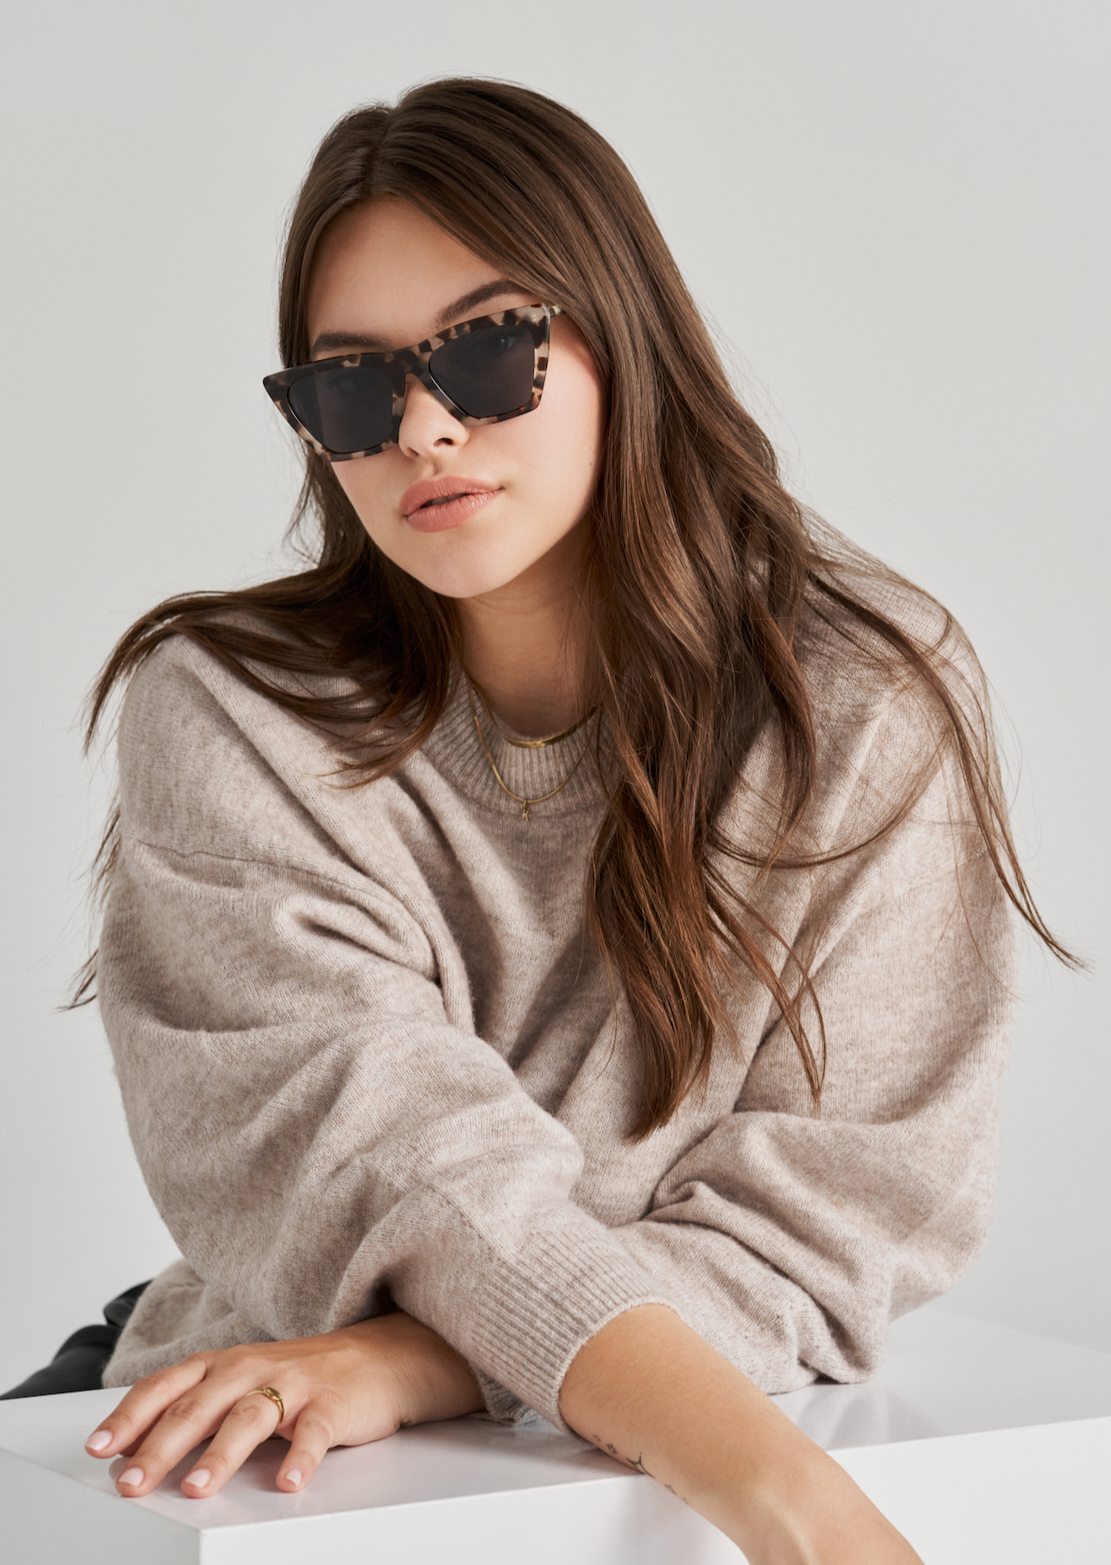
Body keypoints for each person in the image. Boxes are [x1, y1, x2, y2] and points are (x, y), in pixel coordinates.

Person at [31, 77, 1067, 1562]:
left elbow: (841, 1219)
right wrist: (801, 1518)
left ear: (620, 339)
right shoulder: (233, 710)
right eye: (348, 386)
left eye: (490, 350)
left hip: (411, 1403)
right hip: (239, 1444)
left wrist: (429, 1356)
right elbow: (384, 1154)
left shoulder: (857, 700)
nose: (425, 427)